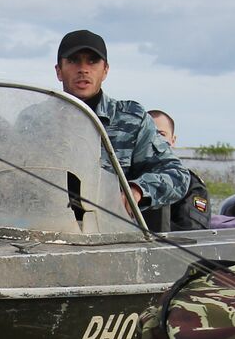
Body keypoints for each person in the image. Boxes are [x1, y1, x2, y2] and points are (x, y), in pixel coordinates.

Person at [51, 30, 190, 223]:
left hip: (111, 238)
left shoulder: (132, 119)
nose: (83, 69)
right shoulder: (35, 119)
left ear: (105, 70)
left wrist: (137, 190)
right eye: (74, 61)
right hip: (45, 233)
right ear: (59, 70)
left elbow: (177, 175)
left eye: (92, 61)